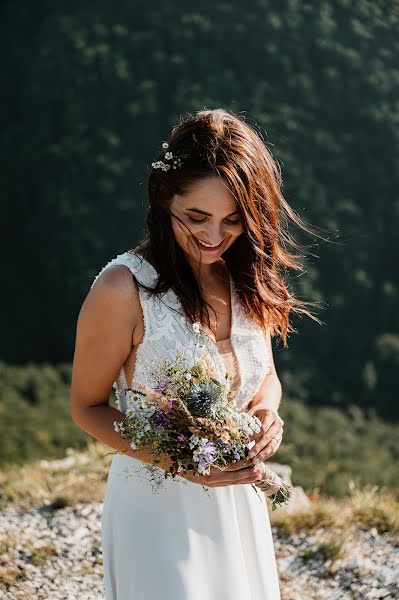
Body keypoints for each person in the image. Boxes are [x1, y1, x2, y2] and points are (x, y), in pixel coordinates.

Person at [70, 108, 320, 599]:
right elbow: (86, 407)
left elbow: (264, 374)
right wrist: (183, 464)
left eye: (233, 220)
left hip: (237, 506)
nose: (214, 236)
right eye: (197, 217)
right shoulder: (123, 289)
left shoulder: (244, 277)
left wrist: (268, 413)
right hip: (155, 507)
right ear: (164, 198)